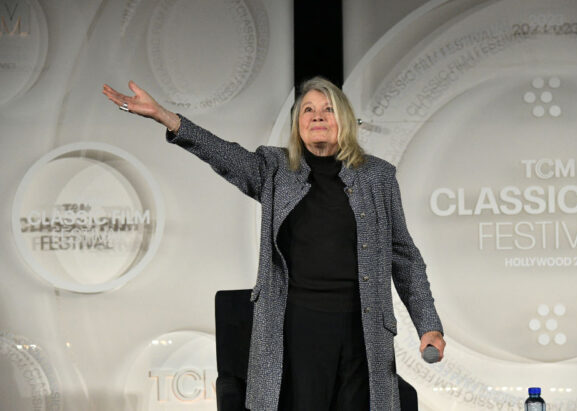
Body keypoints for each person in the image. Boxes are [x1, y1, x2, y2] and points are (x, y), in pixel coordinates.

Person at [102, 77, 445, 410]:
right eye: (308, 110)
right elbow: (224, 154)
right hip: (297, 327)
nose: (317, 116)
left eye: (327, 109)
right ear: (298, 125)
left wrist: (428, 325)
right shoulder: (276, 169)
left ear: (343, 120)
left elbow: (404, 257)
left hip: (362, 329)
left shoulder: (377, 176)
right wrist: (167, 118)